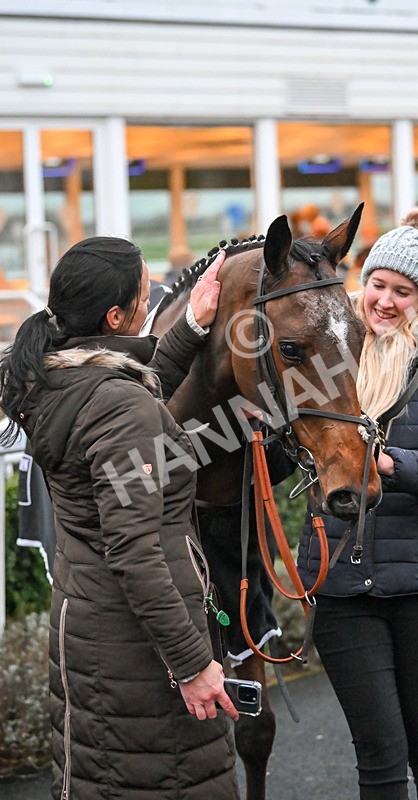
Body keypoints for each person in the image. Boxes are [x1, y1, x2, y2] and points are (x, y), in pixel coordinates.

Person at [0, 236, 240, 800]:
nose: (151, 298)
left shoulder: (53, 377)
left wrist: (192, 328)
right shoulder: (115, 405)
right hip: (139, 651)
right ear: (116, 316)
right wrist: (192, 664)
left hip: (90, 630)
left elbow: (130, 387)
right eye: (144, 293)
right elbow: (134, 550)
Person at [297, 206, 418, 799]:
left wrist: (389, 464)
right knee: (380, 758)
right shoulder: (326, 358)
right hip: (338, 587)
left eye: (402, 291)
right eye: (378, 284)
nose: (384, 300)